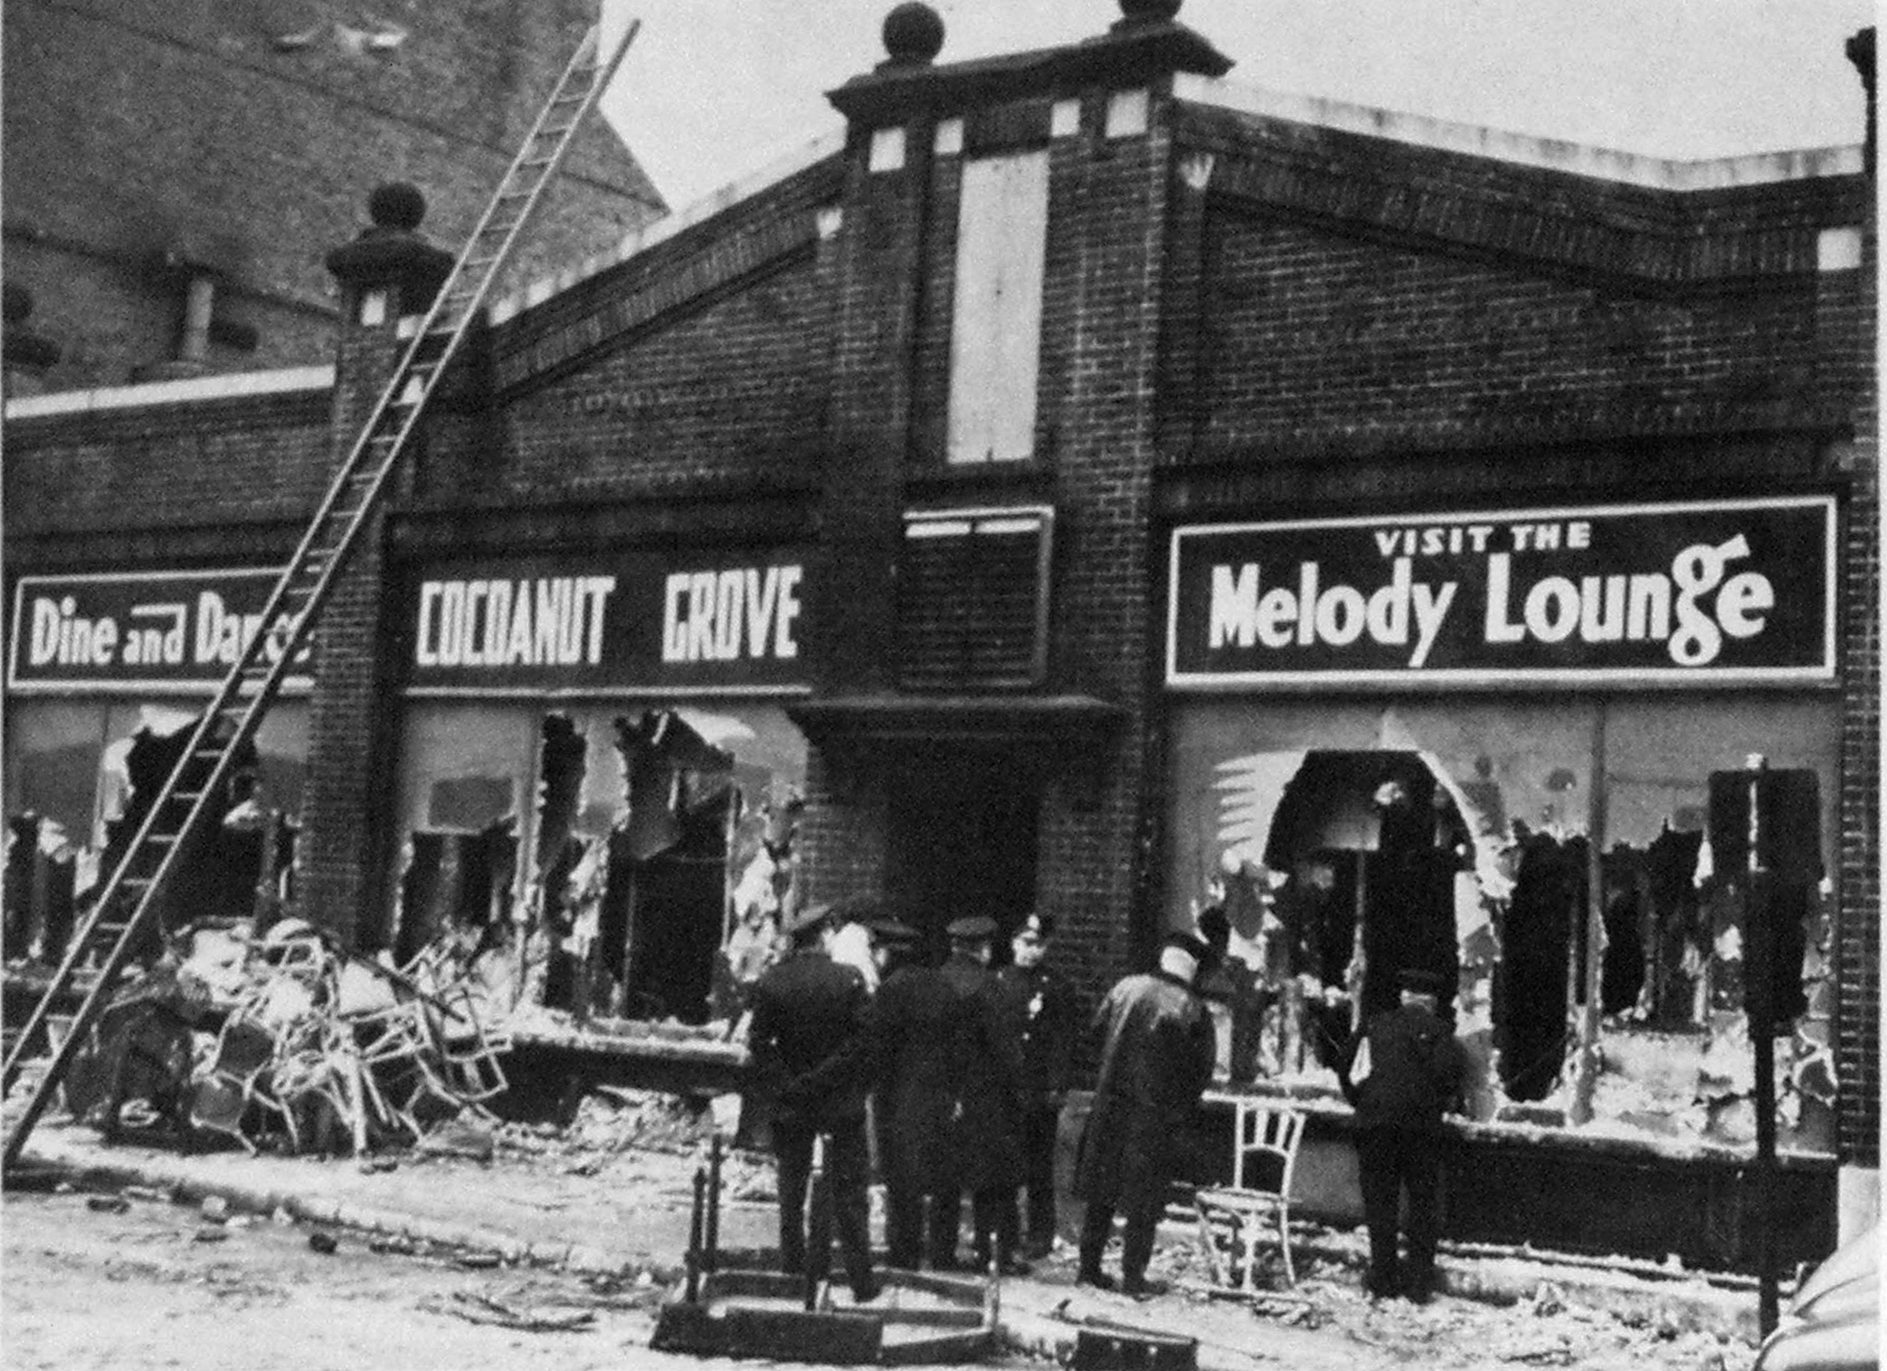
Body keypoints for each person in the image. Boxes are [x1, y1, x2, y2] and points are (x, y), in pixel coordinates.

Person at [1072, 927, 1219, 1296]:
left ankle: (1088, 1269)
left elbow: (1092, 1039)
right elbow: (1199, 1072)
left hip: (1109, 1108)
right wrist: (1181, 1110)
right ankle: (1133, 1278)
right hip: (1154, 1118)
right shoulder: (1191, 1008)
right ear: (1191, 968)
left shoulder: (1124, 988)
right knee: (1144, 1201)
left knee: (1101, 1193)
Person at [746, 903, 880, 1304]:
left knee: (791, 1189)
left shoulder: (772, 982)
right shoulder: (850, 981)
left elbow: (759, 1044)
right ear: (825, 936)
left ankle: (792, 1272)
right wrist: (825, 1079)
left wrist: (792, 1084)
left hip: (792, 1105)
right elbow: (862, 1045)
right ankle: (861, 1282)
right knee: (849, 1195)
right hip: (839, 1106)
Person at [1336, 965, 1467, 1303]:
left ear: (1404, 997)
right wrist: (1432, 1105)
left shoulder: (1374, 1025)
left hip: (1375, 1126)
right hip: (1421, 1131)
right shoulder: (1441, 1032)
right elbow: (1449, 1078)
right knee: (1422, 1207)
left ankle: (1382, 1280)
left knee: (1381, 1206)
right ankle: (1419, 1285)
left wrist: (1362, 1103)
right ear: (1432, 1001)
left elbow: (1347, 1068)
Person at [870, 918, 969, 1271]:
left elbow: (878, 1051)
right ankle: (943, 1254)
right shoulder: (944, 987)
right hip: (941, 1097)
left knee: (902, 1181)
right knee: (944, 1179)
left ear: (887, 953)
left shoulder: (890, 990)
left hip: (898, 1098)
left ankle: (905, 1255)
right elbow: (960, 1048)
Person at [937, 915, 1027, 1275]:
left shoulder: (938, 982)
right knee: (994, 1180)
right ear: (984, 948)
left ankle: (943, 1253)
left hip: (943, 1093)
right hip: (987, 1097)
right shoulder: (991, 988)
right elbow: (1006, 1050)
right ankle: (993, 1252)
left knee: (946, 1178)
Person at [996, 912, 1078, 1261]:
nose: (1032, 952)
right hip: (1007, 1088)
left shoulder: (1056, 987)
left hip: (1040, 1089)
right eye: (1027, 944)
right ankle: (1007, 1232)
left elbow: (1064, 1040)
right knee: (1006, 1164)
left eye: (1039, 945)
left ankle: (1040, 1234)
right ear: (1014, 943)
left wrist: (1058, 1085)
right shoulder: (999, 981)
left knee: (1039, 1167)